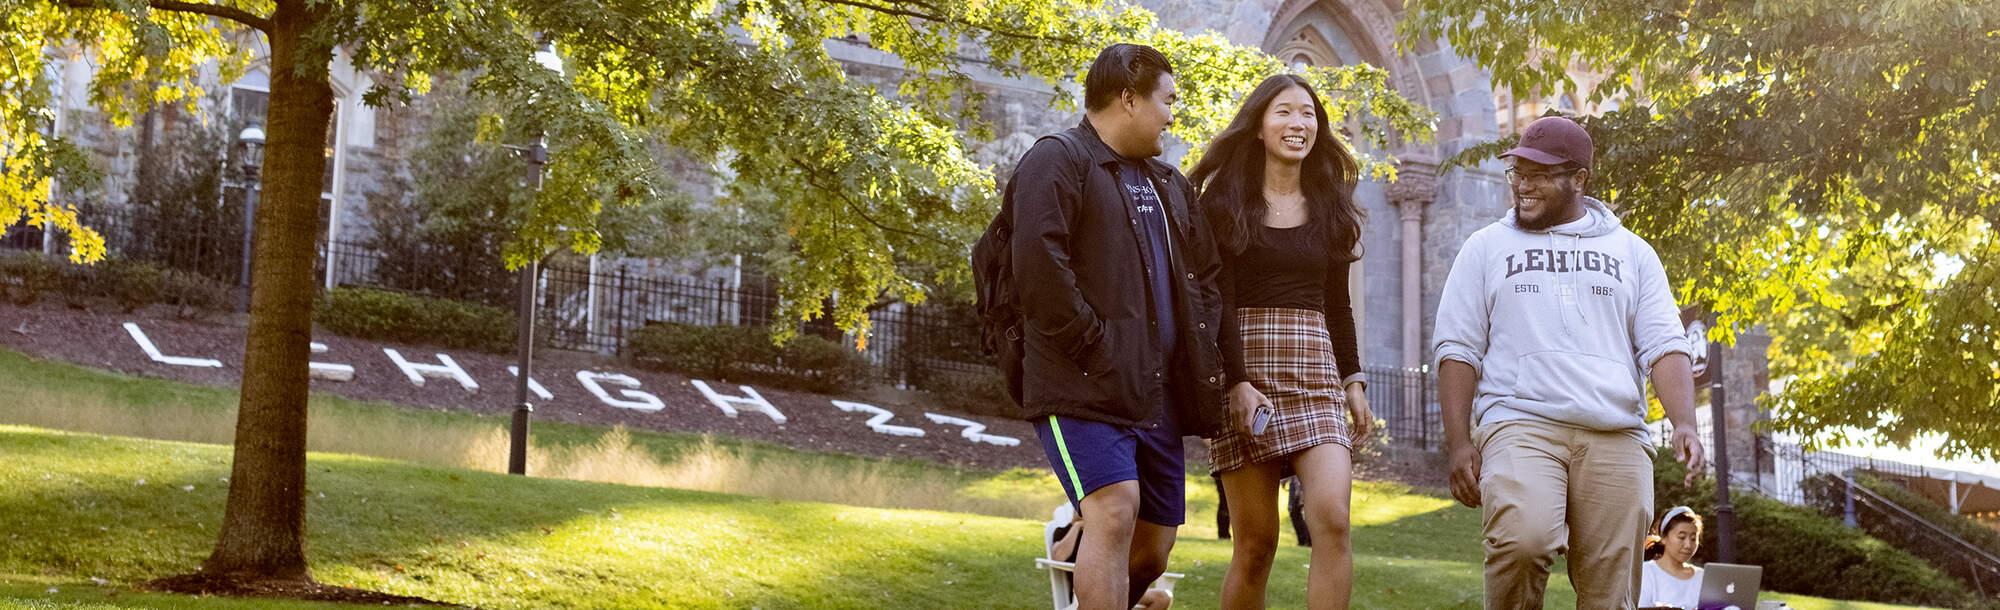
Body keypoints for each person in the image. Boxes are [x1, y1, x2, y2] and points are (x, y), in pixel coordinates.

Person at [1432, 115, 1708, 609]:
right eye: (1518, 172)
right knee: (1523, 541)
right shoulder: (1487, 247)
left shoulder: (1632, 253)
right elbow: (1458, 349)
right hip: (1521, 423)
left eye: (1540, 174)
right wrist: (1458, 443)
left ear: (1579, 179)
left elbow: (1665, 344)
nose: (1524, 185)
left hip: (1616, 433)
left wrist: (1684, 421)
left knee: (1611, 592)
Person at [1008, 42, 1227, 610]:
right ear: (1128, 98)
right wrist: (1094, 343)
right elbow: (1037, 262)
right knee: (1112, 508)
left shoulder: (1169, 184)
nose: (1172, 116)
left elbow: (1205, 281)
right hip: (1081, 381)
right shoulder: (1056, 159)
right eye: (1167, 101)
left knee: (1154, 549)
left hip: (1156, 393)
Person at [1190, 73, 1374, 610]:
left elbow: (1337, 306)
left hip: (1316, 374)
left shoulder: (1332, 206)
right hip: (1247, 375)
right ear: (1258, 126)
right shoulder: (1221, 203)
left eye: (1309, 114)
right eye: (1285, 112)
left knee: (1333, 523)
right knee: (1255, 545)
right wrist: (1236, 382)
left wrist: (1353, 381)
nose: (1299, 124)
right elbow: (1213, 301)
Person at [1639, 506, 1705, 609]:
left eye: (1693, 538)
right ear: (1664, 537)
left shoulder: (1703, 577)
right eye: (1681, 537)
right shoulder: (1645, 573)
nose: (1688, 545)